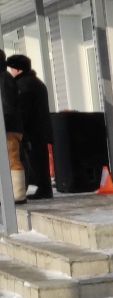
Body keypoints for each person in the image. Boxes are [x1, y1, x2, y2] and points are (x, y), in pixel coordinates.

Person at [6, 54, 53, 200]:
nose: (11, 71)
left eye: (12, 68)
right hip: (40, 130)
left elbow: (22, 111)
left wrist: (20, 129)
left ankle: (42, 189)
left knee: (32, 161)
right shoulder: (36, 82)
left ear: (17, 69)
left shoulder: (22, 85)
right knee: (39, 160)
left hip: (31, 131)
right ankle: (44, 188)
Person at [2, 49, 24, 204]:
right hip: (9, 126)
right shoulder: (6, 77)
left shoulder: (3, 80)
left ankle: (18, 194)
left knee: (12, 160)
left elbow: (6, 105)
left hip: (8, 127)